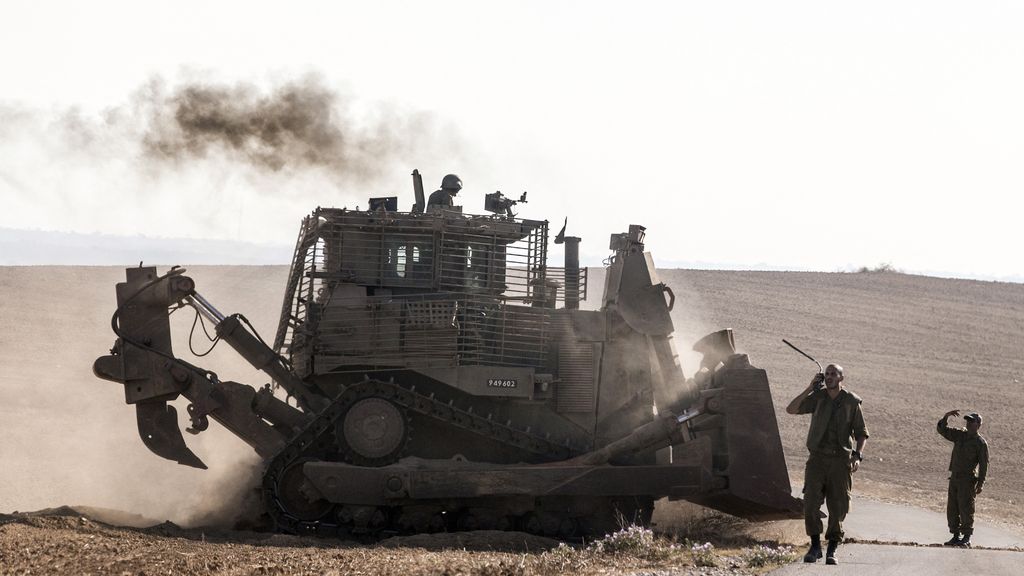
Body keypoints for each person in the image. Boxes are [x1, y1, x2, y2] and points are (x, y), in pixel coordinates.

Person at [785, 364, 869, 566]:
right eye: (827, 374)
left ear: (841, 378)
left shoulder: (851, 401)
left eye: (834, 374)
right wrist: (809, 388)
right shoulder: (818, 397)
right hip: (817, 459)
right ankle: (815, 546)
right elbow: (791, 409)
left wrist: (857, 455)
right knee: (810, 503)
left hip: (840, 461)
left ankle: (832, 548)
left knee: (838, 506)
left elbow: (861, 433)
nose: (829, 377)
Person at [937, 410, 989, 548]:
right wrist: (946, 416)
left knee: (966, 509)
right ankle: (955, 535)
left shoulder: (980, 443)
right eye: (968, 421)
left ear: (978, 425)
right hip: (955, 477)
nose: (968, 423)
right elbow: (943, 430)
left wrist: (981, 483)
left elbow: (984, 465)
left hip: (968, 480)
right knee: (952, 508)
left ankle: (966, 537)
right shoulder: (960, 435)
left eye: (972, 421)